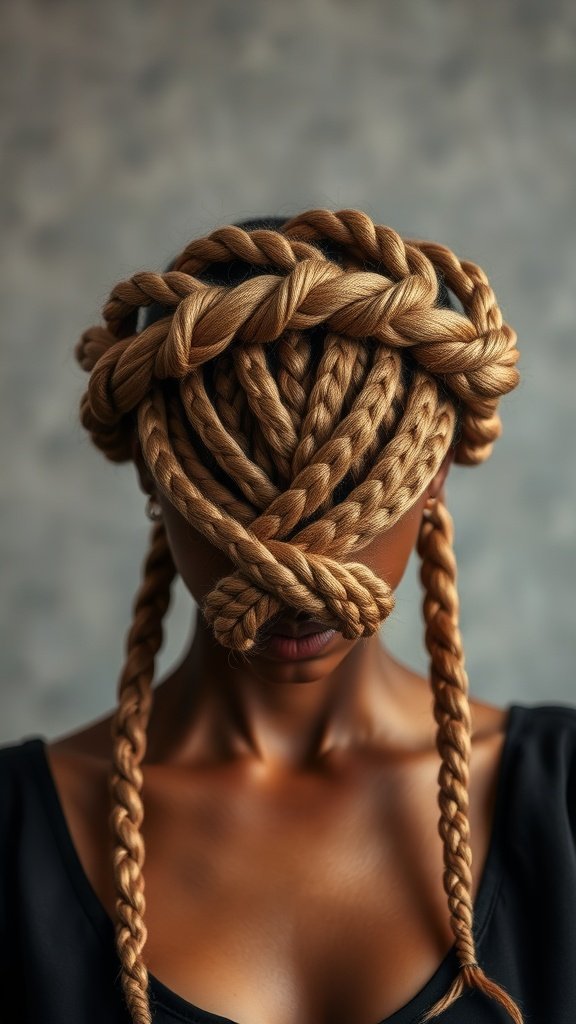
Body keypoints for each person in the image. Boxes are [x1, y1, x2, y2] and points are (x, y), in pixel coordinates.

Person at [1, 209, 575, 1024]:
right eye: (235, 500)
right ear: (156, 481)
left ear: (434, 472)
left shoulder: (564, 806)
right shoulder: (14, 837)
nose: (302, 583)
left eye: (354, 497)